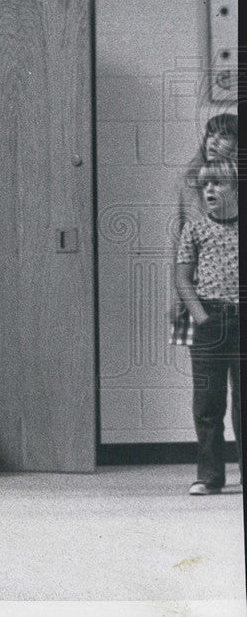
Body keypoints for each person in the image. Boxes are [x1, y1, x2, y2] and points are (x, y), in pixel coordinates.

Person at [174, 157, 240, 495]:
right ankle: (210, 474)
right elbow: (183, 280)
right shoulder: (195, 228)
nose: (210, 190)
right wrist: (202, 317)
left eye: (218, 183)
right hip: (210, 321)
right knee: (208, 402)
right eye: (206, 184)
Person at [170, 114, 237, 345]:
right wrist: (184, 301)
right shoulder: (190, 182)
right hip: (201, 293)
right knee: (206, 367)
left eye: (224, 136)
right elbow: (179, 243)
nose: (214, 141)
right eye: (211, 134)